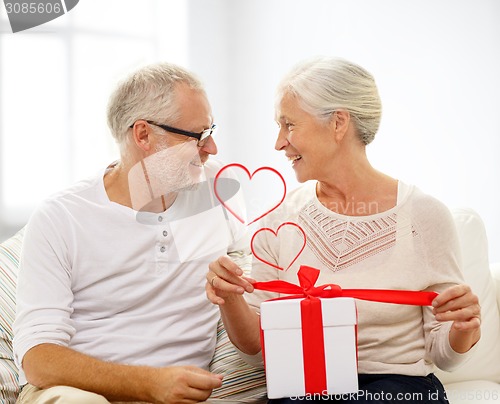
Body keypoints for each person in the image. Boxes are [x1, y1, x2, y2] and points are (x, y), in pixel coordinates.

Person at [206, 57, 481, 403]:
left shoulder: (424, 217)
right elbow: (257, 351)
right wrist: (229, 298)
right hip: (306, 390)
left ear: (338, 123)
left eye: (289, 125)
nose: (279, 143)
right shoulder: (279, 221)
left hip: (398, 390)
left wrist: (462, 329)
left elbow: (444, 354)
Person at [13, 62, 249, 404]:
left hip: (183, 393)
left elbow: (253, 284)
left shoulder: (219, 190)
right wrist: (149, 384)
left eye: (210, 132)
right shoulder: (61, 217)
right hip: (81, 392)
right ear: (143, 135)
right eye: (199, 136)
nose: (211, 149)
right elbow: (37, 358)